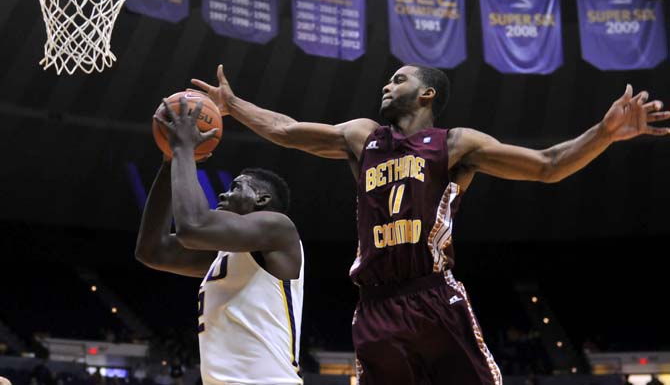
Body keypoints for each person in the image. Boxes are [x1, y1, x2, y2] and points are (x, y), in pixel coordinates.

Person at [191, 64, 669, 385]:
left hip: (433, 297)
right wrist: (234, 106)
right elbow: (285, 130)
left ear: (426, 93)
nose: (386, 85)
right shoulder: (362, 136)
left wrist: (603, 134)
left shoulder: (456, 144)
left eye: (398, 79)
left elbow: (548, 164)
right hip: (375, 305)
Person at [135, 98, 304, 385]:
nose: (224, 195)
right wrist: (169, 161)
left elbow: (193, 226)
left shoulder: (278, 229)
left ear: (262, 200)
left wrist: (184, 149)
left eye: (236, 187)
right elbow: (152, 250)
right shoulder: (223, 255)